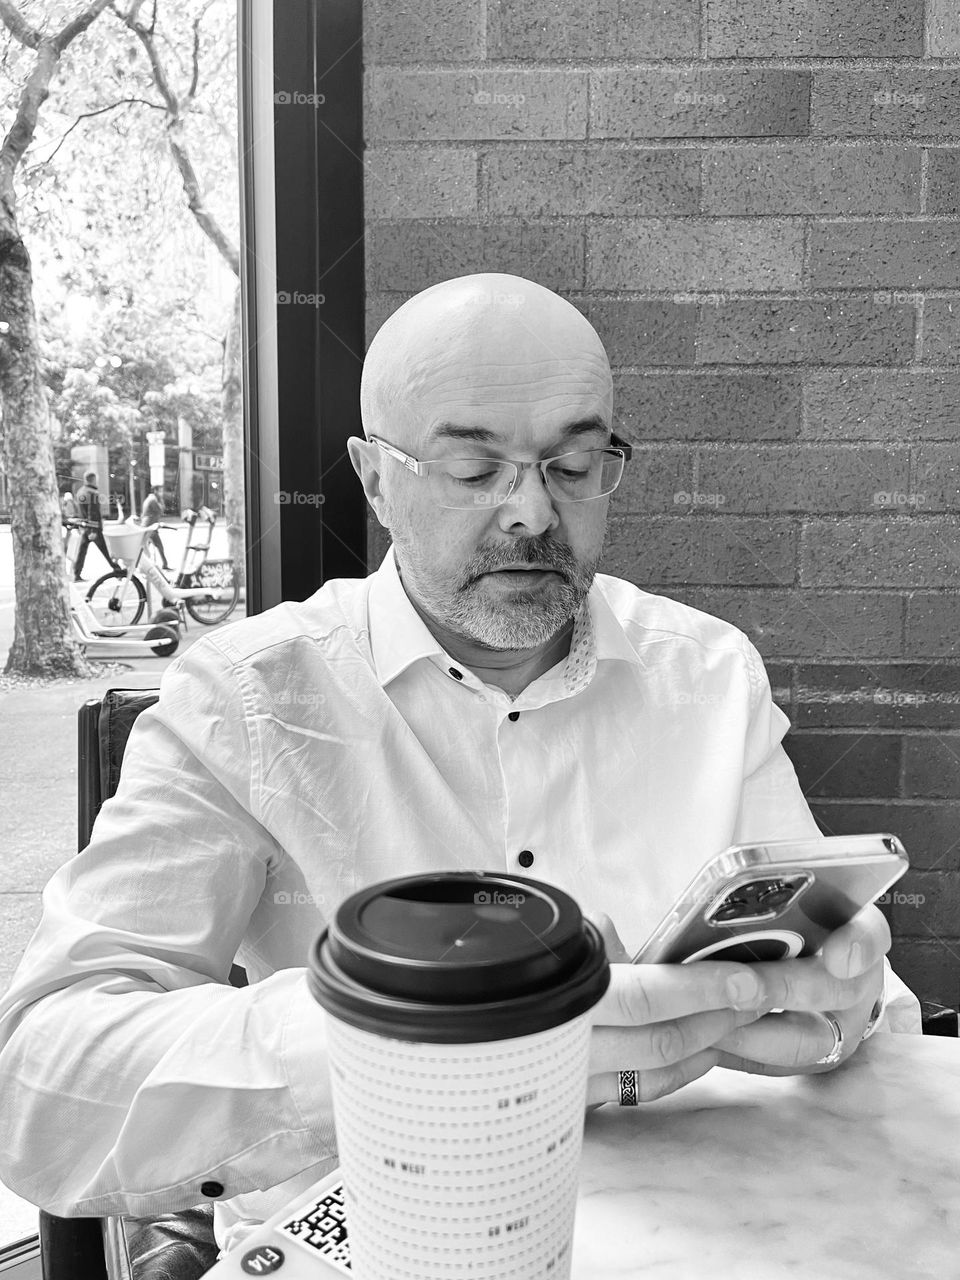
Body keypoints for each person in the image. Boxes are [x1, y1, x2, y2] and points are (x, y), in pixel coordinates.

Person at [0, 274, 920, 1257]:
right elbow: (42, 1089)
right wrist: (401, 1043)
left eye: (573, 463)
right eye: (474, 468)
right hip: (392, 1228)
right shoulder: (249, 696)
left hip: (705, 1223)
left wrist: (842, 1002)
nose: (531, 511)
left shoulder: (708, 672)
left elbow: (863, 1006)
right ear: (374, 475)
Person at [72, 470, 115, 581]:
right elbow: (93, 513)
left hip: (84, 526)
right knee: (106, 551)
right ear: (94, 480)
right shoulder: (93, 494)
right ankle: (118, 570)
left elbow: (80, 511)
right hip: (93, 527)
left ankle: (76, 573)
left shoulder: (80, 492)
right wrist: (93, 530)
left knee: (81, 551)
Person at [139, 485, 171, 570]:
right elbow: (161, 510)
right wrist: (161, 500)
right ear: (155, 491)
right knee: (159, 546)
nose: (162, 493)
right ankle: (164, 565)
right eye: (160, 491)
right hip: (150, 527)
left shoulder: (150, 499)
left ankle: (143, 565)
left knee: (144, 547)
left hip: (148, 526)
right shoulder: (153, 500)